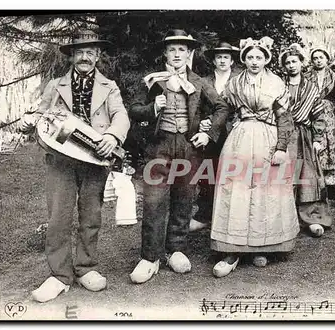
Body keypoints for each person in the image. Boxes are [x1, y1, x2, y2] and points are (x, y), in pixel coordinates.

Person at [19, 29, 130, 302]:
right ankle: (59, 276)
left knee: (91, 216)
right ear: (71, 57)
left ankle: (86, 268)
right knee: (58, 217)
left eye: (90, 52)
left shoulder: (110, 86)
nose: (85, 57)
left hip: (94, 159)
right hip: (60, 160)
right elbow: (41, 117)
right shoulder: (55, 85)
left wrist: (111, 136)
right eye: (79, 52)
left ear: (98, 56)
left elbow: (121, 116)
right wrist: (27, 122)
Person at [128, 29, 230, 284]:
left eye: (182, 49)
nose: (176, 54)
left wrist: (208, 134)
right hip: (159, 146)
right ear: (165, 52)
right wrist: (153, 107)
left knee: (184, 199)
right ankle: (150, 257)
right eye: (172, 49)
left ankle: (176, 249)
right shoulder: (152, 80)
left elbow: (222, 107)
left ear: (190, 53)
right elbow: (134, 110)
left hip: (188, 146)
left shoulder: (198, 82)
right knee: (154, 201)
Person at [206, 36, 298, 277]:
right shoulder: (235, 83)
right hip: (241, 138)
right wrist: (211, 126)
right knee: (237, 190)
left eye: (259, 57)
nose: (254, 61)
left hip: (268, 138)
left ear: (266, 59)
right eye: (250, 57)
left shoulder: (276, 83)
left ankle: (263, 247)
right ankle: (234, 250)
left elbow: (284, 118)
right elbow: (222, 109)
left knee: (265, 193)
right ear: (244, 59)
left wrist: (281, 147)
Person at [279, 43, 332, 237]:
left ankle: (310, 217)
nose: (291, 65)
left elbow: (319, 116)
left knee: (307, 176)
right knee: (283, 174)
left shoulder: (311, 88)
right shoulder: (278, 84)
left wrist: (318, 138)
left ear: (302, 63)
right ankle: (284, 217)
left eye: (295, 61)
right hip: (282, 135)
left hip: (303, 137)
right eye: (288, 62)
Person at [190, 41, 241, 232]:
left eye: (226, 57)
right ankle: (205, 214)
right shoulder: (203, 81)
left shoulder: (239, 79)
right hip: (210, 133)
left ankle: (229, 215)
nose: (222, 61)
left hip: (232, 130)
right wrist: (202, 121)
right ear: (213, 60)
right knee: (208, 172)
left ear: (232, 60)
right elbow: (196, 107)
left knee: (232, 172)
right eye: (218, 57)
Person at [306, 47, 335, 199]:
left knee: (330, 143)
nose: (318, 60)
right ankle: (316, 182)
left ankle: (331, 183)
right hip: (312, 111)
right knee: (315, 142)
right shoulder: (306, 76)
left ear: (327, 59)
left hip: (330, 113)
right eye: (315, 58)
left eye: (321, 57)